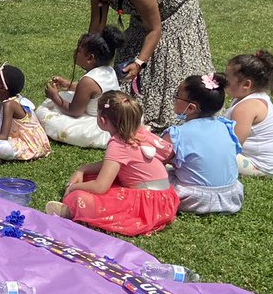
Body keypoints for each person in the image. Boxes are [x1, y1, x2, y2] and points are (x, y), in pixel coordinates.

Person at [81, 0, 213, 130]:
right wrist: (90, 53)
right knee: (130, 47)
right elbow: (96, 27)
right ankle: (134, 102)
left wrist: (139, 63)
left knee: (163, 53)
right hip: (144, 7)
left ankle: (168, 108)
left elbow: (154, 30)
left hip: (177, 5)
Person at [44, 91, 179, 237]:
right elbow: (113, 164)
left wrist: (73, 188)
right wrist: (83, 169)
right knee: (90, 177)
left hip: (148, 205)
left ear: (102, 120)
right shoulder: (139, 132)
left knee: (80, 197)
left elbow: (100, 187)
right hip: (166, 200)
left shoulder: (118, 143)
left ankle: (70, 209)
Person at [157, 74, 243, 214]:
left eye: (177, 95)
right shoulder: (225, 126)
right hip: (231, 197)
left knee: (153, 176)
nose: (174, 98)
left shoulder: (176, 134)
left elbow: (156, 163)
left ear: (191, 108)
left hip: (193, 199)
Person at [35, 26, 122, 148]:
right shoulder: (108, 70)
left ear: (90, 58)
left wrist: (54, 96)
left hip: (96, 123)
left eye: (79, 50)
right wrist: (68, 85)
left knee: (44, 112)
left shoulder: (88, 81)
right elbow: (93, 92)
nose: (75, 52)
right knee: (64, 95)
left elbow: (74, 111)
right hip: (112, 116)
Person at [224, 50, 273, 177]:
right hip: (266, 163)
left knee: (205, 156)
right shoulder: (247, 98)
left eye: (227, 78)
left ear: (246, 84)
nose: (223, 81)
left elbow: (232, 145)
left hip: (259, 166)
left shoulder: (247, 108)